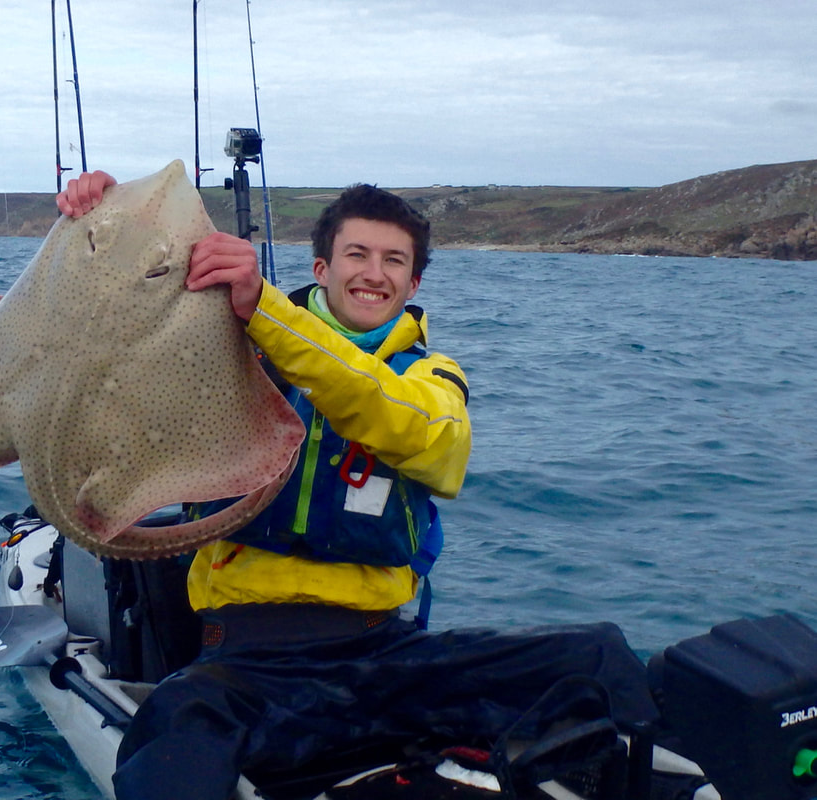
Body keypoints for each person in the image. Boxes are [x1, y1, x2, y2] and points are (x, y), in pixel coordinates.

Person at [57, 170, 662, 800]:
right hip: (246, 664)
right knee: (177, 728)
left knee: (594, 657)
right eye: (357, 255)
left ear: (413, 282)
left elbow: (426, 439)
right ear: (321, 268)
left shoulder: (431, 376)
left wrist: (269, 310)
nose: (375, 273)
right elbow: (117, 354)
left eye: (393, 260)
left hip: (385, 653)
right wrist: (104, 216)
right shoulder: (233, 347)